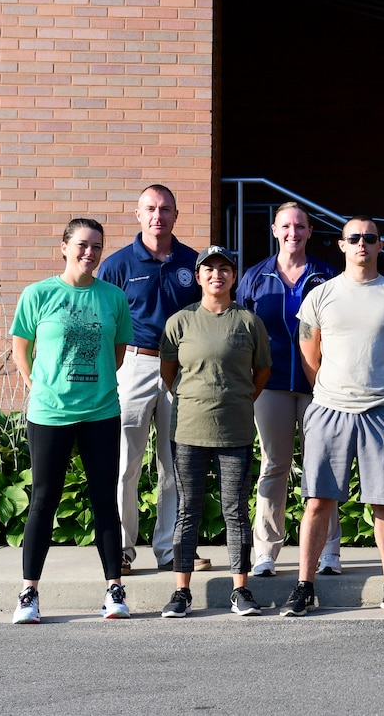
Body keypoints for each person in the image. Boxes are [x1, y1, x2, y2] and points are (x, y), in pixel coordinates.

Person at [279, 217, 384, 616]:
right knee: (317, 501)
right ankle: (304, 587)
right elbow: (311, 359)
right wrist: (332, 393)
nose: (362, 243)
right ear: (342, 245)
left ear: (380, 246)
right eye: (354, 238)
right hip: (328, 411)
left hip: (382, 412)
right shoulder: (321, 296)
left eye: (370, 238)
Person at [9, 218, 134, 623]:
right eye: (82, 245)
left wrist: (92, 387)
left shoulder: (112, 297)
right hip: (49, 414)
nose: (90, 253)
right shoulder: (38, 294)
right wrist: (37, 385)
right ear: (63, 247)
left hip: (100, 412)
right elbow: (21, 348)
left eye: (97, 246)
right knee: (43, 500)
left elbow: (117, 355)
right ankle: (29, 594)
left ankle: (114, 589)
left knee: (104, 500)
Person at [158, 246, 272, 617]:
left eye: (224, 269)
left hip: (235, 432)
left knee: (235, 512)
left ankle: (240, 590)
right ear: (198, 276)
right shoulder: (180, 322)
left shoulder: (248, 322)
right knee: (187, 510)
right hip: (189, 430)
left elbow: (261, 373)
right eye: (209, 269)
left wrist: (237, 399)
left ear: (233, 277)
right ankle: (181, 592)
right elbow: (169, 372)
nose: (216, 275)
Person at [97, 184, 204, 574]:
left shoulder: (193, 262)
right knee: (126, 463)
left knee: (175, 465)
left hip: (182, 370)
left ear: (176, 215)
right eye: (151, 209)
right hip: (135, 366)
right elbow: (104, 320)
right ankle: (123, 550)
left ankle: (169, 549)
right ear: (137, 214)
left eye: (165, 209)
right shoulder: (118, 265)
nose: (158, 216)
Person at [236, 201, 344, 578]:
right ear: (274, 230)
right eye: (286, 226)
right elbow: (241, 332)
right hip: (271, 385)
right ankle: (265, 552)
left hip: (321, 387)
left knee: (324, 468)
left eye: (300, 226)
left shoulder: (328, 275)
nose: (293, 232)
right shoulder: (254, 277)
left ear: (310, 232)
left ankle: (330, 552)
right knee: (274, 465)